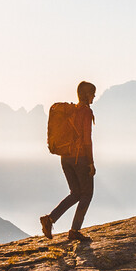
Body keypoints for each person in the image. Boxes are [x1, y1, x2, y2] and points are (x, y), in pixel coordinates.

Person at [39, 81, 97, 241]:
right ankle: (74, 231)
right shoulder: (85, 112)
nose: (94, 97)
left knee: (76, 193)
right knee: (87, 194)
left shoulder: (70, 111)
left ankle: (49, 219)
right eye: (92, 93)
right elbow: (87, 139)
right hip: (80, 158)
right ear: (86, 95)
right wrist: (91, 163)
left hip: (65, 158)